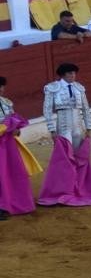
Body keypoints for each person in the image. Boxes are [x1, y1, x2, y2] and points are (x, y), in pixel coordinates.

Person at [38, 63, 91, 206]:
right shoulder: (52, 88)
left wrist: (88, 128)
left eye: (74, 73)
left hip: (77, 127)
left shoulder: (79, 87)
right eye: (70, 73)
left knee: (80, 158)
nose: (73, 76)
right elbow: (47, 111)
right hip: (63, 127)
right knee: (65, 160)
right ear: (63, 75)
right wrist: (52, 130)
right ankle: (65, 189)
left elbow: (86, 108)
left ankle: (79, 187)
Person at [0, 75, 40, 219]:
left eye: (2, 86)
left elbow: (14, 121)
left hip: (9, 143)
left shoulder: (6, 103)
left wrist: (17, 129)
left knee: (13, 172)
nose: (1, 89)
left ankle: (15, 203)